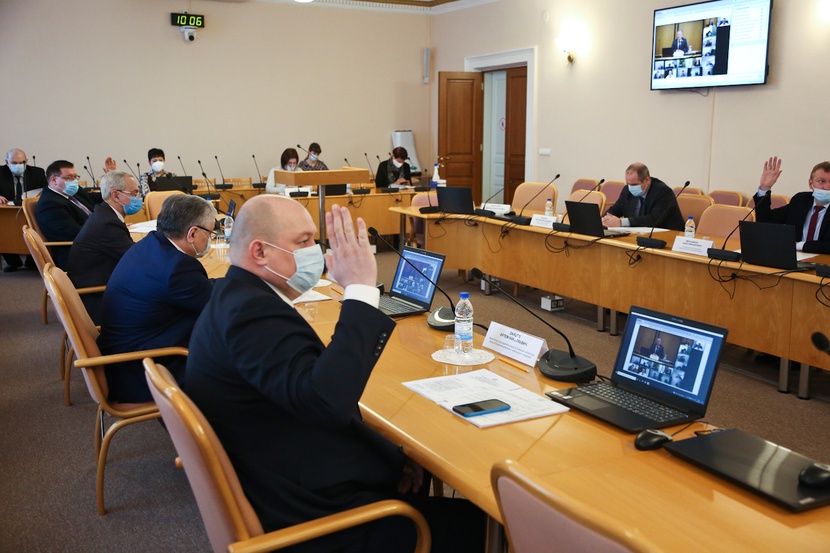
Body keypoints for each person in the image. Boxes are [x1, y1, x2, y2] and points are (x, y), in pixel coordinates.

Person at [185, 196, 485, 553]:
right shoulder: (250, 313)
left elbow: (306, 396)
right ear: (260, 252)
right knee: (489, 528)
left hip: (281, 473)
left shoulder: (236, 296)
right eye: (303, 241)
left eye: (315, 238)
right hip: (313, 516)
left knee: (412, 462)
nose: (317, 251)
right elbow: (326, 401)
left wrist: (393, 457)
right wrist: (360, 289)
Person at [97, 194, 217, 403]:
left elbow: (201, 289)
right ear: (192, 233)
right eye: (210, 232)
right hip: (142, 370)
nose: (210, 238)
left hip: (123, 355)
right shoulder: (177, 267)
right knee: (232, 349)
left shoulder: (152, 244)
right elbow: (217, 305)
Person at [66, 171, 140, 323]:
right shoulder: (107, 223)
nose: (138, 198)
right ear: (116, 195)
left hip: (102, 283)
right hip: (98, 298)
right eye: (134, 193)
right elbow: (135, 258)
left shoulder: (104, 214)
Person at [754, 156, 830, 254]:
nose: (827, 187)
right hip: (795, 257)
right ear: (810, 184)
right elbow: (765, 222)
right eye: (821, 181)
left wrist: (798, 245)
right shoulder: (800, 200)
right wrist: (764, 188)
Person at [35, 160, 98, 269]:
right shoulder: (50, 204)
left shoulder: (74, 192)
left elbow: (96, 200)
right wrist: (106, 230)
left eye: (75, 177)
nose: (74, 181)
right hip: (77, 254)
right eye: (69, 178)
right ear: (54, 180)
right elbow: (74, 233)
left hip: (92, 243)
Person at [0, 148, 47, 271]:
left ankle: (32, 261)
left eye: (21, 162)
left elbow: (46, 190)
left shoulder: (37, 173)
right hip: (8, 212)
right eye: (14, 163)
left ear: (26, 161)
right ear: (7, 162)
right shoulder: (1, 172)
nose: (18, 165)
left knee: (38, 227)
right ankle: (12, 262)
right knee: (4, 229)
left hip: (31, 210)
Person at [602, 162, 685, 231]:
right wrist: (606, 219)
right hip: (635, 234)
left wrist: (621, 222)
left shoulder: (663, 191)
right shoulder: (627, 190)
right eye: (628, 184)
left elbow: (654, 219)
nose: (630, 187)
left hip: (667, 236)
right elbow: (616, 208)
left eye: (634, 184)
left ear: (647, 180)